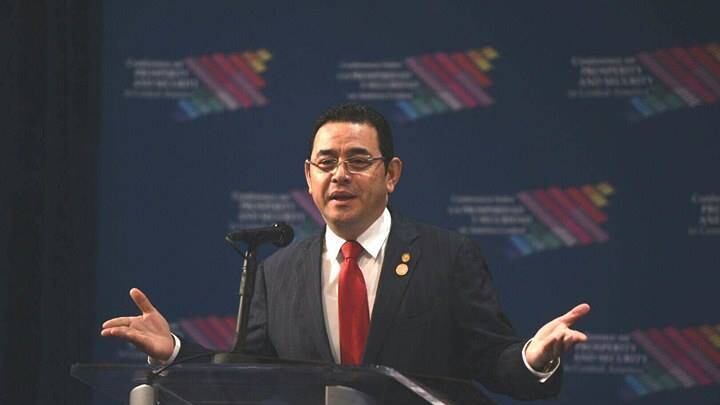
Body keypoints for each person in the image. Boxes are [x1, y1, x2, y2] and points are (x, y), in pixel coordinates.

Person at [101, 103, 590, 400]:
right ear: (308, 177)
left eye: (358, 160)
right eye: (326, 162)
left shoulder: (447, 257)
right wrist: (176, 352)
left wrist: (533, 356)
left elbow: (492, 360)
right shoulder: (279, 272)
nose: (339, 174)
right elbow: (244, 378)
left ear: (391, 174)